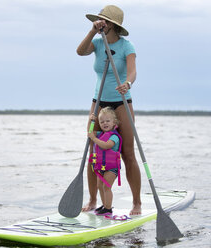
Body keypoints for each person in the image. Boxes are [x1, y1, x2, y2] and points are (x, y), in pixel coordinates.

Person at [77, 5, 142, 215]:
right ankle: (93, 200)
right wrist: (92, 31)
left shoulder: (126, 46)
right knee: (92, 151)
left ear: (113, 25)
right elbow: (80, 52)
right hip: (99, 102)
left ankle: (137, 203)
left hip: (121, 102)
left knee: (127, 153)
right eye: (99, 20)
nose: (100, 23)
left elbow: (132, 73)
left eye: (103, 21)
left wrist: (128, 84)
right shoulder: (96, 42)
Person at [87, 107, 122, 216]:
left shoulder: (114, 136)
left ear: (114, 122)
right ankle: (104, 205)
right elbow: (90, 132)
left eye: (107, 121)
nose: (104, 123)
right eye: (102, 122)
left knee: (106, 186)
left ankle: (108, 208)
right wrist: (91, 121)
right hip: (101, 167)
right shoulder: (100, 134)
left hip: (112, 168)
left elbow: (107, 146)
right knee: (100, 186)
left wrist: (94, 139)